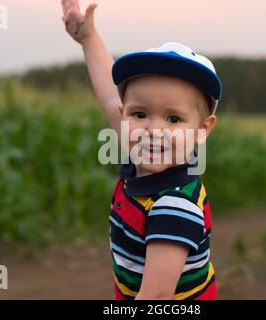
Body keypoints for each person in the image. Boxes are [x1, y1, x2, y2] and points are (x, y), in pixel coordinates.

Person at [62, 0, 222, 300]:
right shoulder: (143, 152)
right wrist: (88, 38)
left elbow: (156, 297)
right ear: (125, 116)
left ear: (203, 129)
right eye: (140, 114)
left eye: (173, 119)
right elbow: (111, 98)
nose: (153, 130)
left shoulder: (174, 205)